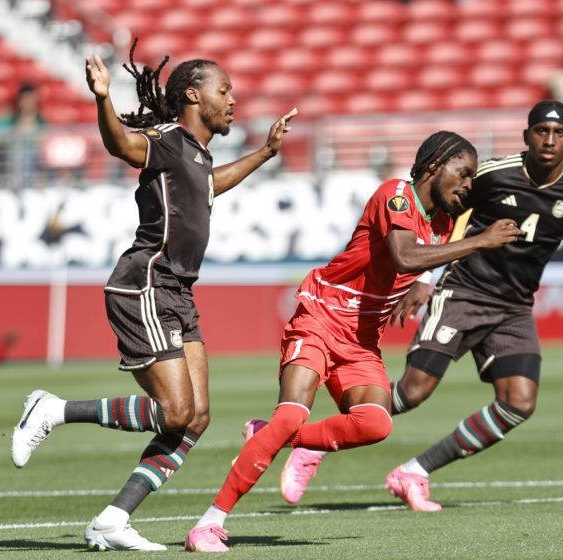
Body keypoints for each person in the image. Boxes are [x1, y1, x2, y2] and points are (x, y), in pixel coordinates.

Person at [278, 100, 563, 512]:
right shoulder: (492, 175)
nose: (548, 141)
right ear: (525, 136)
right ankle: (316, 445)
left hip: (514, 307)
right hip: (464, 290)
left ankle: (414, 472)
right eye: (540, 132)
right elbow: (442, 209)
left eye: (558, 133)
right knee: (414, 390)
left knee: (519, 403)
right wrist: (423, 279)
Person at [9, 39, 297, 551]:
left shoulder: (199, 154)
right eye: (224, 90)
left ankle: (113, 520)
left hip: (179, 292)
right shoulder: (167, 138)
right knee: (175, 412)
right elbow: (122, 145)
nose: (233, 99)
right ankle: (53, 410)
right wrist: (102, 99)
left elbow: (211, 183)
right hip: (145, 282)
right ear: (193, 94)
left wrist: (266, 153)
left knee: (197, 417)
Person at [184, 131, 523, 552]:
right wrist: (480, 242)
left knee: (376, 423)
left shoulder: (440, 222)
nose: (468, 184)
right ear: (435, 166)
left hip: (361, 339)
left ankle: (267, 435)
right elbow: (403, 254)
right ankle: (208, 524)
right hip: (321, 318)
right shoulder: (395, 195)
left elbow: (416, 259)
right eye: (464, 173)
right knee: (290, 415)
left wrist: (422, 283)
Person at [0, 82, 46, 187]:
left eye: (31, 99)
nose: (29, 103)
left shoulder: (40, 121)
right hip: (12, 160)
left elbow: (43, 142)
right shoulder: (9, 119)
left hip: (34, 162)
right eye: (26, 99)